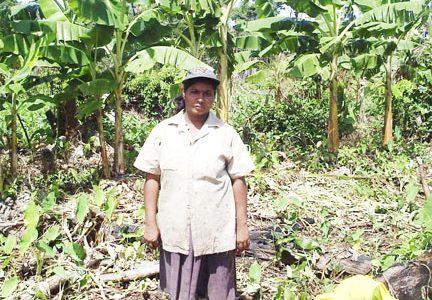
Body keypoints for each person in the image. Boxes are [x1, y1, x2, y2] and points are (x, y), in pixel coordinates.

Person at [134, 67, 255, 300]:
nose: (200, 99)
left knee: (219, 293)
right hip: (176, 229)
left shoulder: (225, 133)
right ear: (184, 92)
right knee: (177, 294)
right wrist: (150, 223)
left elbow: (238, 180)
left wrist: (242, 227)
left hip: (216, 230)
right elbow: (152, 179)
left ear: (214, 96)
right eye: (194, 92)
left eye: (207, 93)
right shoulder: (164, 132)